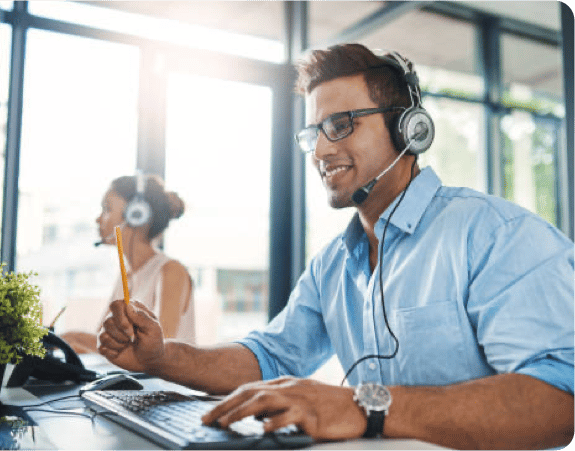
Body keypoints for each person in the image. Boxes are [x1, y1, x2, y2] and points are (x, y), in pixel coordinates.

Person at [97, 44, 574, 450]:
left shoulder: (494, 233)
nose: (322, 151)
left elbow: (561, 398)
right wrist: (163, 359)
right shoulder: (333, 263)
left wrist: (362, 406)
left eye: (342, 124)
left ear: (409, 130)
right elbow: (269, 356)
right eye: (314, 133)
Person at [62, 173, 195, 353]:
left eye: (107, 209)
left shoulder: (171, 271)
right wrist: (66, 340)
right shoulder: (128, 275)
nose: (98, 219)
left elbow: (160, 351)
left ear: (136, 214)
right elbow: (103, 342)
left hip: (162, 381)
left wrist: (74, 341)